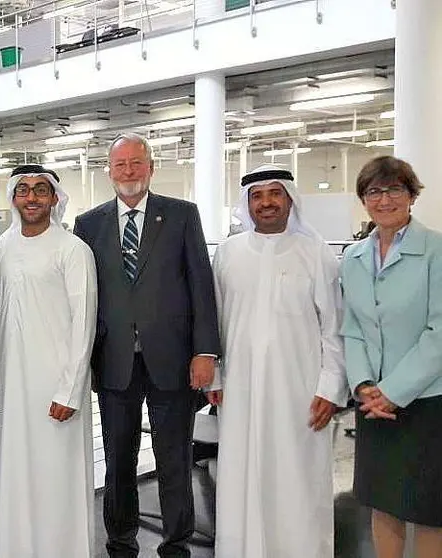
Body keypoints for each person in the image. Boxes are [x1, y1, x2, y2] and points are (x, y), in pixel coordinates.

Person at [74, 133, 220, 558]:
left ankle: (176, 545)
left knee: (174, 459)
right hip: (114, 361)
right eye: (120, 165)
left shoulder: (181, 216)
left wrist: (205, 351)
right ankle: (120, 543)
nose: (129, 172)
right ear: (109, 171)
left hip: (173, 361)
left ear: (151, 167)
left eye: (136, 163)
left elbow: (201, 287)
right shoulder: (90, 224)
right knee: (119, 461)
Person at [205, 164, 347, 558]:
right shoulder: (229, 253)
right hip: (240, 391)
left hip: (300, 391)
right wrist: (214, 376)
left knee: (297, 480)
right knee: (240, 478)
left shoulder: (316, 253)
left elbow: (334, 328)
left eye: (274, 194)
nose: (266, 202)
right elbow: (214, 321)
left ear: (289, 199)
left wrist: (330, 388)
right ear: (246, 203)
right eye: (257, 195)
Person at [0, 165, 98, 557]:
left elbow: (85, 322)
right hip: (15, 385)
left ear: (54, 198)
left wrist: (70, 389)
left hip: (57, 385)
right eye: (23, 191)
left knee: (57, 475)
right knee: (17, 472)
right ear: (14, 199)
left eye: (40, 190)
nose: (31, 198)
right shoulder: (5, 245)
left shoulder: (72, 249)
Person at [341, 156, 442, 558]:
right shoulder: (353, 256)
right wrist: (364, 385)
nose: (384, 200)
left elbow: (440, 331)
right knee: (382, 503)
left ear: (411, 195)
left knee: (428, 508)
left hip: (426, 400)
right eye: (374, 192)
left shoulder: (435, 250)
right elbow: (352, 327)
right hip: (373, 405)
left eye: (394, 189)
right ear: (364, 200)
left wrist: (393, 391)